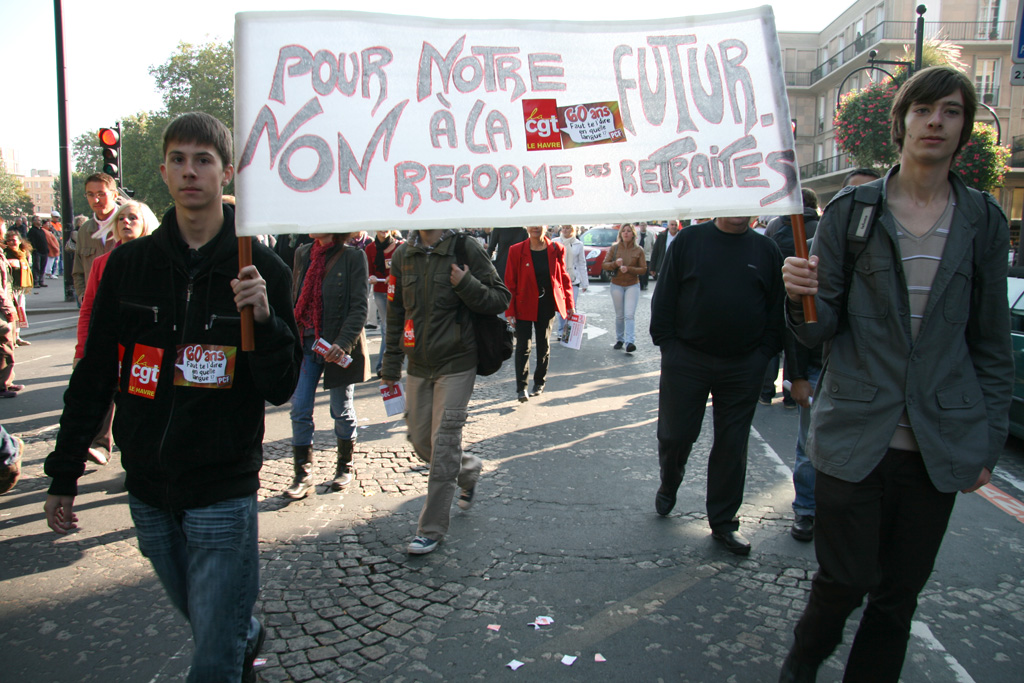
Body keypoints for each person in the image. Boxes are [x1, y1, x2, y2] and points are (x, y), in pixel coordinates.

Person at [44, 112, 301, 682]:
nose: (190, 172)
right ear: (162, 171)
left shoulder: (262, 269)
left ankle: (233, 644)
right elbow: (92, 376)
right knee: (214, 622)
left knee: (211, 659)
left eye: (203, 160)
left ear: (226, 171)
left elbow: (280, 387)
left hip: (222, 487)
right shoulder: (127, 266)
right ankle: (242, 634)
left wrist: (264, 319)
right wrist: (65, 472)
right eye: (179, 160)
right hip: (149, 486)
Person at [778, 67, 1012, 682]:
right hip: (854, 433)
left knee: (897, 596)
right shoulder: (853, 212)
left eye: (952, 111)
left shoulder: (983, 220)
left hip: (937, 443)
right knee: (845, 579)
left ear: (964, 128)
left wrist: (985, 441)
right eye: (924, 109)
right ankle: (800, 667)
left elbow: (989, 343)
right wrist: (798, 295)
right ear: (901, 121)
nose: (936, 121)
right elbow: (818, 329)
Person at [649, 215, 784, 556]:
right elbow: (665, 295)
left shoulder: (767, 250)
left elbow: (775, 309)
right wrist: (669, 346)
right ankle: (670, 479)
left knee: (732, 444)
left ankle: (724, 522)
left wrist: (764, 354)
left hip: (743, 365)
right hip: (688, 360)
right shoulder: (689, 240)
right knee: (675, 434)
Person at [382, 228, 510, 555]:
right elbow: (396, 314)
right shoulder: (402, 256)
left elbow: (500, 297)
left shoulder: (465, 247)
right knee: (420, 440)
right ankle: (468, 469)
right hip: (418, 364)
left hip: (457, 362)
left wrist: (465, 283)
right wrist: (390, 366)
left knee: (443, 444)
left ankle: (431, 528)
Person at [73, 200, 160, 465]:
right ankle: (101, 444)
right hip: (109, 343)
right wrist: (82, 350)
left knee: (141, 407)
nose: (126, 223)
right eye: (121, 219)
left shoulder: (160, 260)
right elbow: (89, 308)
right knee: (102, 393)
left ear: (145, 223)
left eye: (133, 218)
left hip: (147, 349)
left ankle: (143, 459)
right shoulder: (102, 263)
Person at [285, 231, 370, 499]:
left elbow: (359, 306)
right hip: (306, 342)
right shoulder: (303, 253)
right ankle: (303, 474)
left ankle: (345, 466)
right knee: (299, 408)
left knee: (340, 410)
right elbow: (295, 297)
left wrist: (343, 343)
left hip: (336, 346)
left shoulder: (353, 256)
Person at [760, 189, 821, 408]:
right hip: (809, 298)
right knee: (798, 343)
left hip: (778, 293)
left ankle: (766, 392)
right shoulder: (821, 227)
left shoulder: (775, 225)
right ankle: (790, 396)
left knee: (776, 343)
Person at [504, 225, 574, 402]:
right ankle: (521, 387)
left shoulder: (556, 249)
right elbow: (510, 282)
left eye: (539, 224)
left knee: (543, 344)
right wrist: (509, 310)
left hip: (547, 303)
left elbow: (563, 277)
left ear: (546, 226)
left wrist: (569, 302)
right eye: (532, 224)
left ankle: (539, 382)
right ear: (527, 227)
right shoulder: (516, 250)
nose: (536, 227)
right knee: (523, 347)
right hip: (523, 303)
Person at [72, 172, 120, 302]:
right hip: (95, 306)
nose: (96, 200)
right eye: (90, 194)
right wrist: (83, 296)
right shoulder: (84, 231)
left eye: (101, 194)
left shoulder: (130, 223)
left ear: (115, 195)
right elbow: (78, 271)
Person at [602, 223, 647, 353]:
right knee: (620, 315)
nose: (626, 233)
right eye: (624, 231)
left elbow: (643, 269)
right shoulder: (614, 248)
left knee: (629, 315)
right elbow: (605, 265)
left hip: (632, 284)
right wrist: (615, 264)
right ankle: (620, 339)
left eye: (628, 231)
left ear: (633, 233)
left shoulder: (639, 250)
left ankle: (630, 342)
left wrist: (629, 269)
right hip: (617, 284)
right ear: (620, 234)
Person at [365, 230, 404, 376]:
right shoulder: (370, 248)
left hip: (397, 291)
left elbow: (403, 268)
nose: (384, 229)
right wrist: (372, 277)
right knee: (386, 327)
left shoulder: (399, 247)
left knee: (396, 326)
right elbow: (368, 271)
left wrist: (393, 276)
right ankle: (383, 365)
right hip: (380, 291)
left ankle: (392, 363)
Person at [0, 219, 23, 398]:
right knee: (3, 342)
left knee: (7, 342)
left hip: (6, 298)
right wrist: (7, 307)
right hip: (2, 302)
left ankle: (6, 382)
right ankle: (2, 385)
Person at [552, 225, 588, 338]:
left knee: (572, 306)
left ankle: (569, 333)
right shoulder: (554, 242)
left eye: (568, 228)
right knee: (560, 307)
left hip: (573, 278)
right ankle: (561, 330)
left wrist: (584, 282)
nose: (565, 230)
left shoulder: (578, 244)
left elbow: (581, 263)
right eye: (563, 228)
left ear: (573, 230)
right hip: (559, 278)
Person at [4, 230, 32, 347]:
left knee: (20, 312)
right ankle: (11, 339)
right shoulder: (6, 254)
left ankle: (17, 337)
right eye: (8, 240)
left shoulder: (24, 253)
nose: (11, 242)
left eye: (14, 240)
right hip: (11, 288)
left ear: (20, 241)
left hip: (21, 288)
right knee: (13, 313)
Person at [27, 217, 48, 288]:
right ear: (34, 221)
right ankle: (35, 281)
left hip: (44, 251)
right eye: (38, 220)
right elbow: (31, 241)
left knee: (43, 267)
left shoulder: (42, 231)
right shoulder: (32, 231)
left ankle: (41, 281)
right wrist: (34, 249)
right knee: (36, 267)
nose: (40, 221)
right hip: (37, 252)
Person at [637, 223, 654, 290]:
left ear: (646, 226)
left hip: (647, 255)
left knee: (645, 271)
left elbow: (653, 245)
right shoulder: (637, 234)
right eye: (641, 225)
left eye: (644, 225)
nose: (642, 226)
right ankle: (640, 284)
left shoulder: (650, 234)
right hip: (638, 255)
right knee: (639, 271)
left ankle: (645, 284)